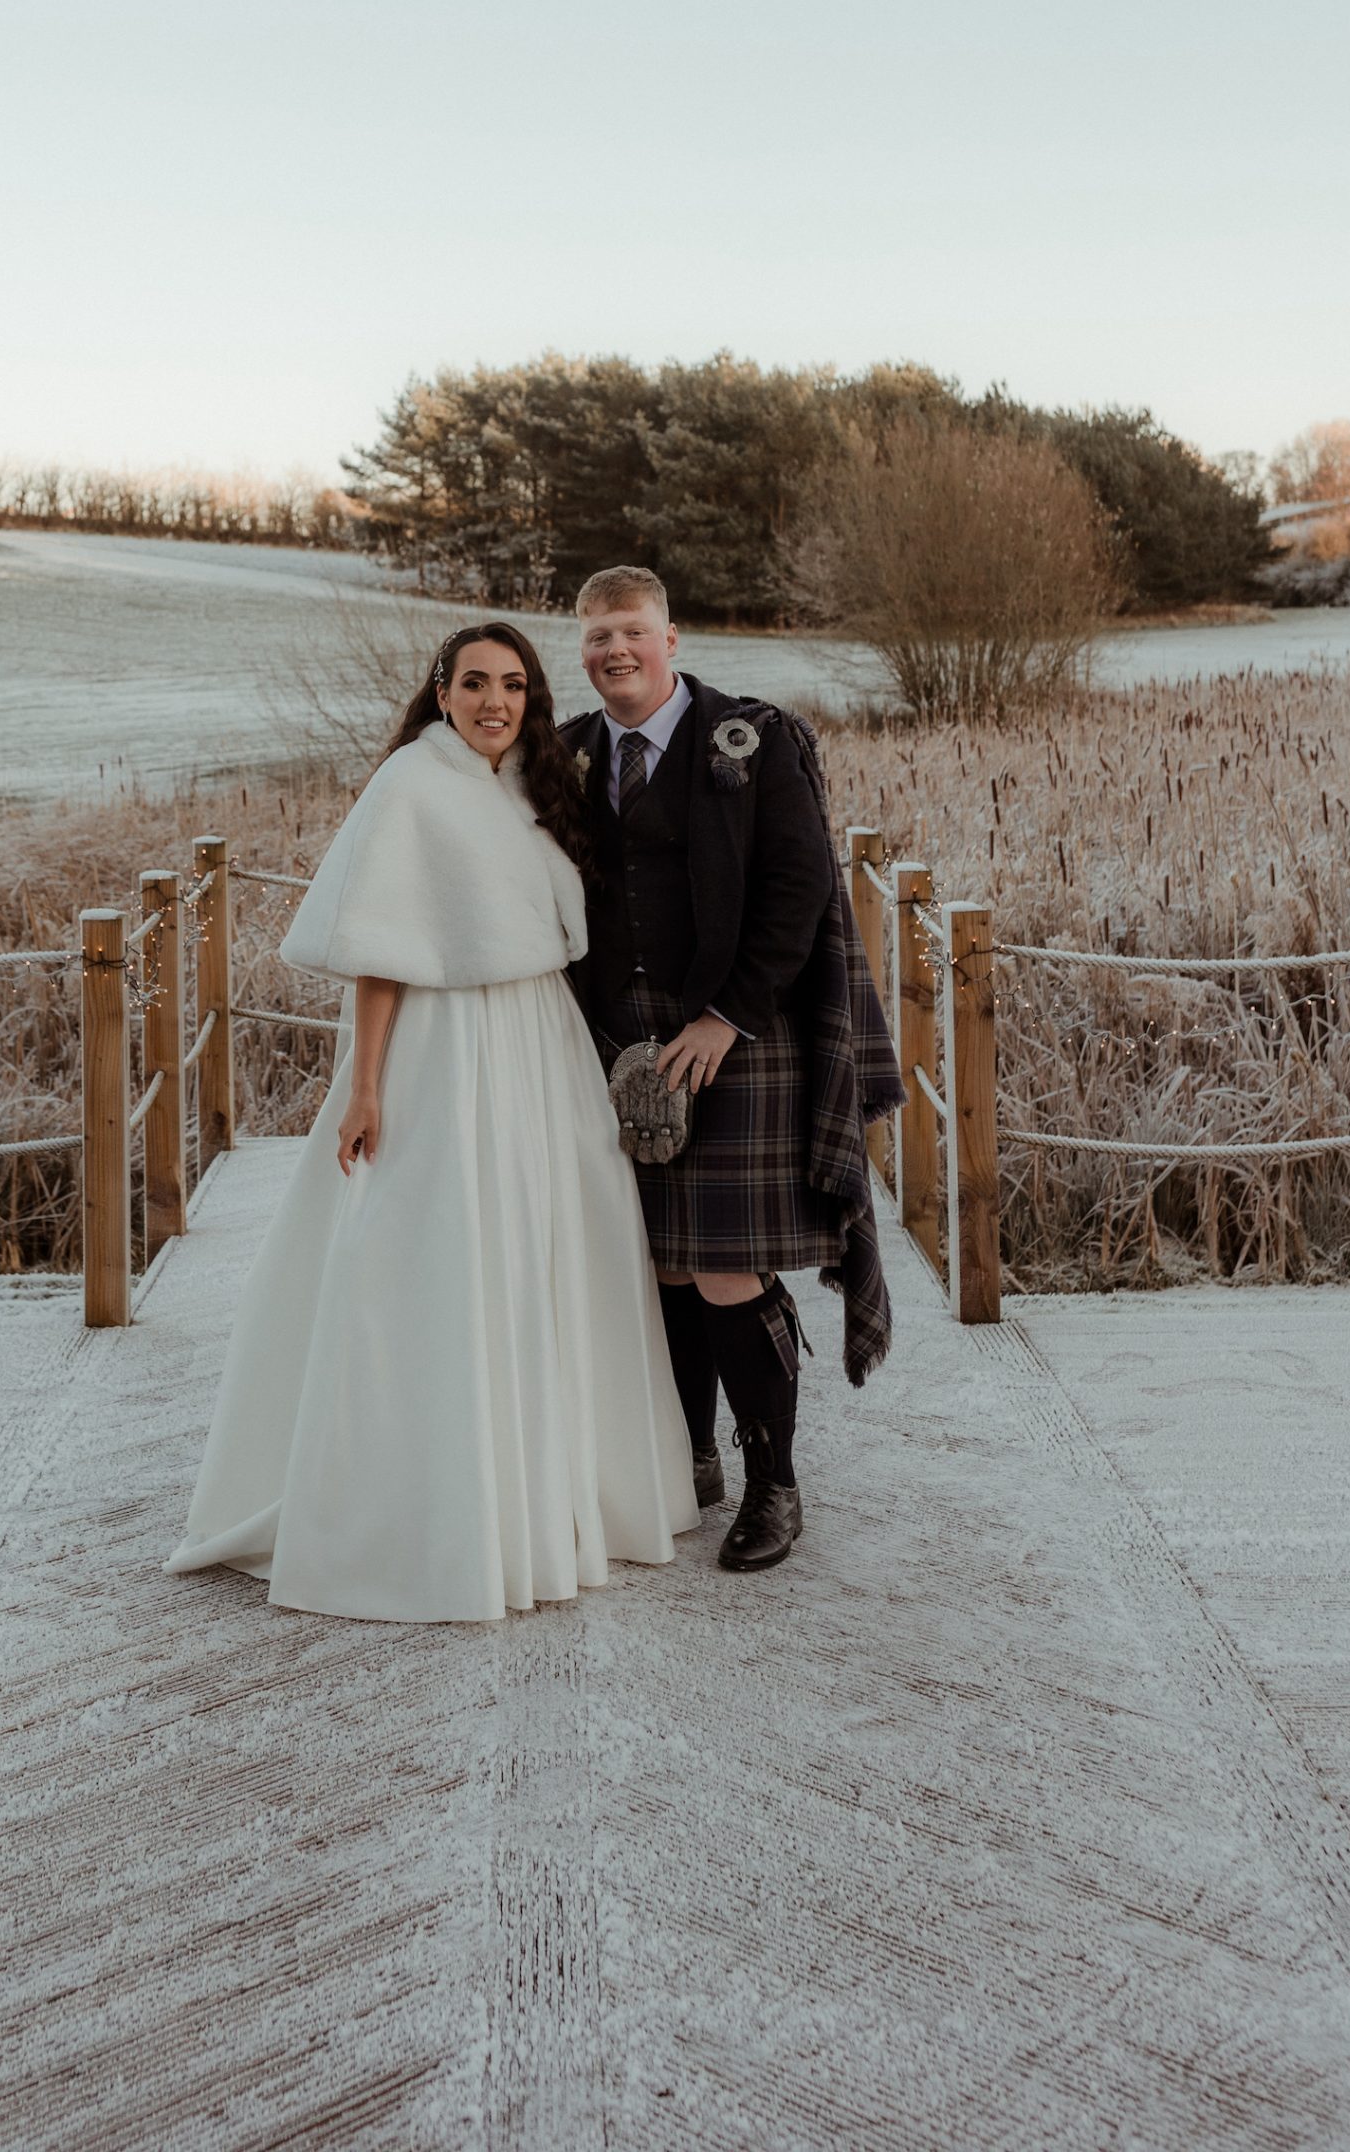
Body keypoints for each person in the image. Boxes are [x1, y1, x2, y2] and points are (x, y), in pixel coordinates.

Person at [166, 620, 697, 1623]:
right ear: (441, 692)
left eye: (513, 684)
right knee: (440, 1254)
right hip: (446, 1045)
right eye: (475, 684)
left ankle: (551, 1491)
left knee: (549, 1246)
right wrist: (366, 1086)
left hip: (539, 1039)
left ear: (530, 698)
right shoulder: (412, 784)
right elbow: (383, 946)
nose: (495, 701)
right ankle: (434, 1513)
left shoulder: (533, 788)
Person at [560, 566, 904, 1574]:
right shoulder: (570, 755)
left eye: (631, 631)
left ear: (673, 636)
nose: (613, 651)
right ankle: (688, 1455)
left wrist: (726, 1016)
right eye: (594, 639)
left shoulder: (754, 743)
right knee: (656, 1257)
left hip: (738, 1036)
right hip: (617, 1041)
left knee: (720, 1263)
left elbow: (801, 889)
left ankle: (773, 1483)